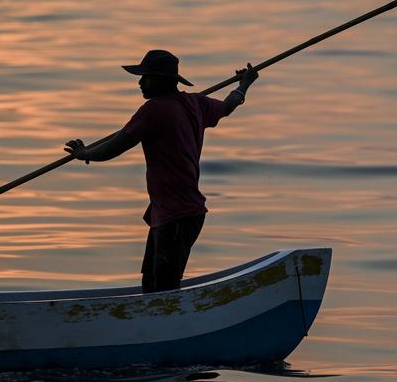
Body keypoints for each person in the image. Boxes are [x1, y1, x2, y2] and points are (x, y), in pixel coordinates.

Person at [65, 49, 259, 294]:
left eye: (145, 77)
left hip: (176, 216)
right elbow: (229, 105)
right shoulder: (196, 103)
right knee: (151, 284)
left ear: (160, 80)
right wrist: (244, 84)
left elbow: (116, 146)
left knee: (163, 291)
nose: (139, 82)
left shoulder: (153, 110)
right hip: (176, 213)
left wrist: (85, 154)